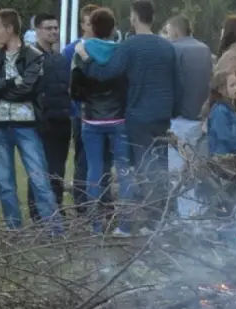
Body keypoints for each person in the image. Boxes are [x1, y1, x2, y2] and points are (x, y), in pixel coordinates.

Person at [76, 0, 180, 230]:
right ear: (152, 18)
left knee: (142, 168)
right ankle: (159, 218)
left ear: (134, 18)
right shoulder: (167, 46)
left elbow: (105, 73)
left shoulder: (129, 46)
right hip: (162, 114)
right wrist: (174, 111)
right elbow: (176, 82)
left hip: (138, 115)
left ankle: (144, 222)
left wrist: (85, 57)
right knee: (159, 166)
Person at [0, 9, 60, 232]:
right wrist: (12, 82)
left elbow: (27, 89)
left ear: (9, 29)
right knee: (5, 184)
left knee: (40, 179)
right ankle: (15, 232)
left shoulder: (33, 55)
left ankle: (55, 231)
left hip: (27, 126)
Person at [71, 7, 131, 234]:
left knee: (94, 170)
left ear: (91, 28)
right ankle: (125, 223)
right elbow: (126, 84)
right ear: (113, 29)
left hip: (92, 120)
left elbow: (74, 89)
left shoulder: (81, 52)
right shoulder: (121, 53)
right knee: (124, 171)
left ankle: (95, 224)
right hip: (118, 119)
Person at [65, 4, 113, 213]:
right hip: (82, 114)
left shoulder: (113, 49)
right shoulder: (72, 50)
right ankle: (82, 202)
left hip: (110, 115)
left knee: (105, 160)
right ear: (84, 26)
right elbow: (69, 84)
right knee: (84, 159)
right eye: (86, 23)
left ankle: (104, 199)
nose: (89, 27)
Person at [164, 14, 211, 219]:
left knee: (179, 171)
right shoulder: (205, 49)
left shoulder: (174, 50)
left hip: (180, 118)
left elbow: (173, 85)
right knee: (197, 169)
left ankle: (185, 216)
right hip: (200, 116)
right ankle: (198, 212)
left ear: (174, 30)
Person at [29, 13, 71, 220]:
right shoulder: (30, 57)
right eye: (49, 28)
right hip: (39, 123)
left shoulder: (61, 59)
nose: (54, 31)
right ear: (37, 30)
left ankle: (56, 208)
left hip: (62, 121)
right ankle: (37, 211)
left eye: (56, 28)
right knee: (39, 169)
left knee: (58, 169)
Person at [206, 69, 236, 156]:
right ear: (220, 89)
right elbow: (224, 136)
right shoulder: (220, 110)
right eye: (232, 85)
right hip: (223, 157)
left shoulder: (229, 108)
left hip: (232, 156)